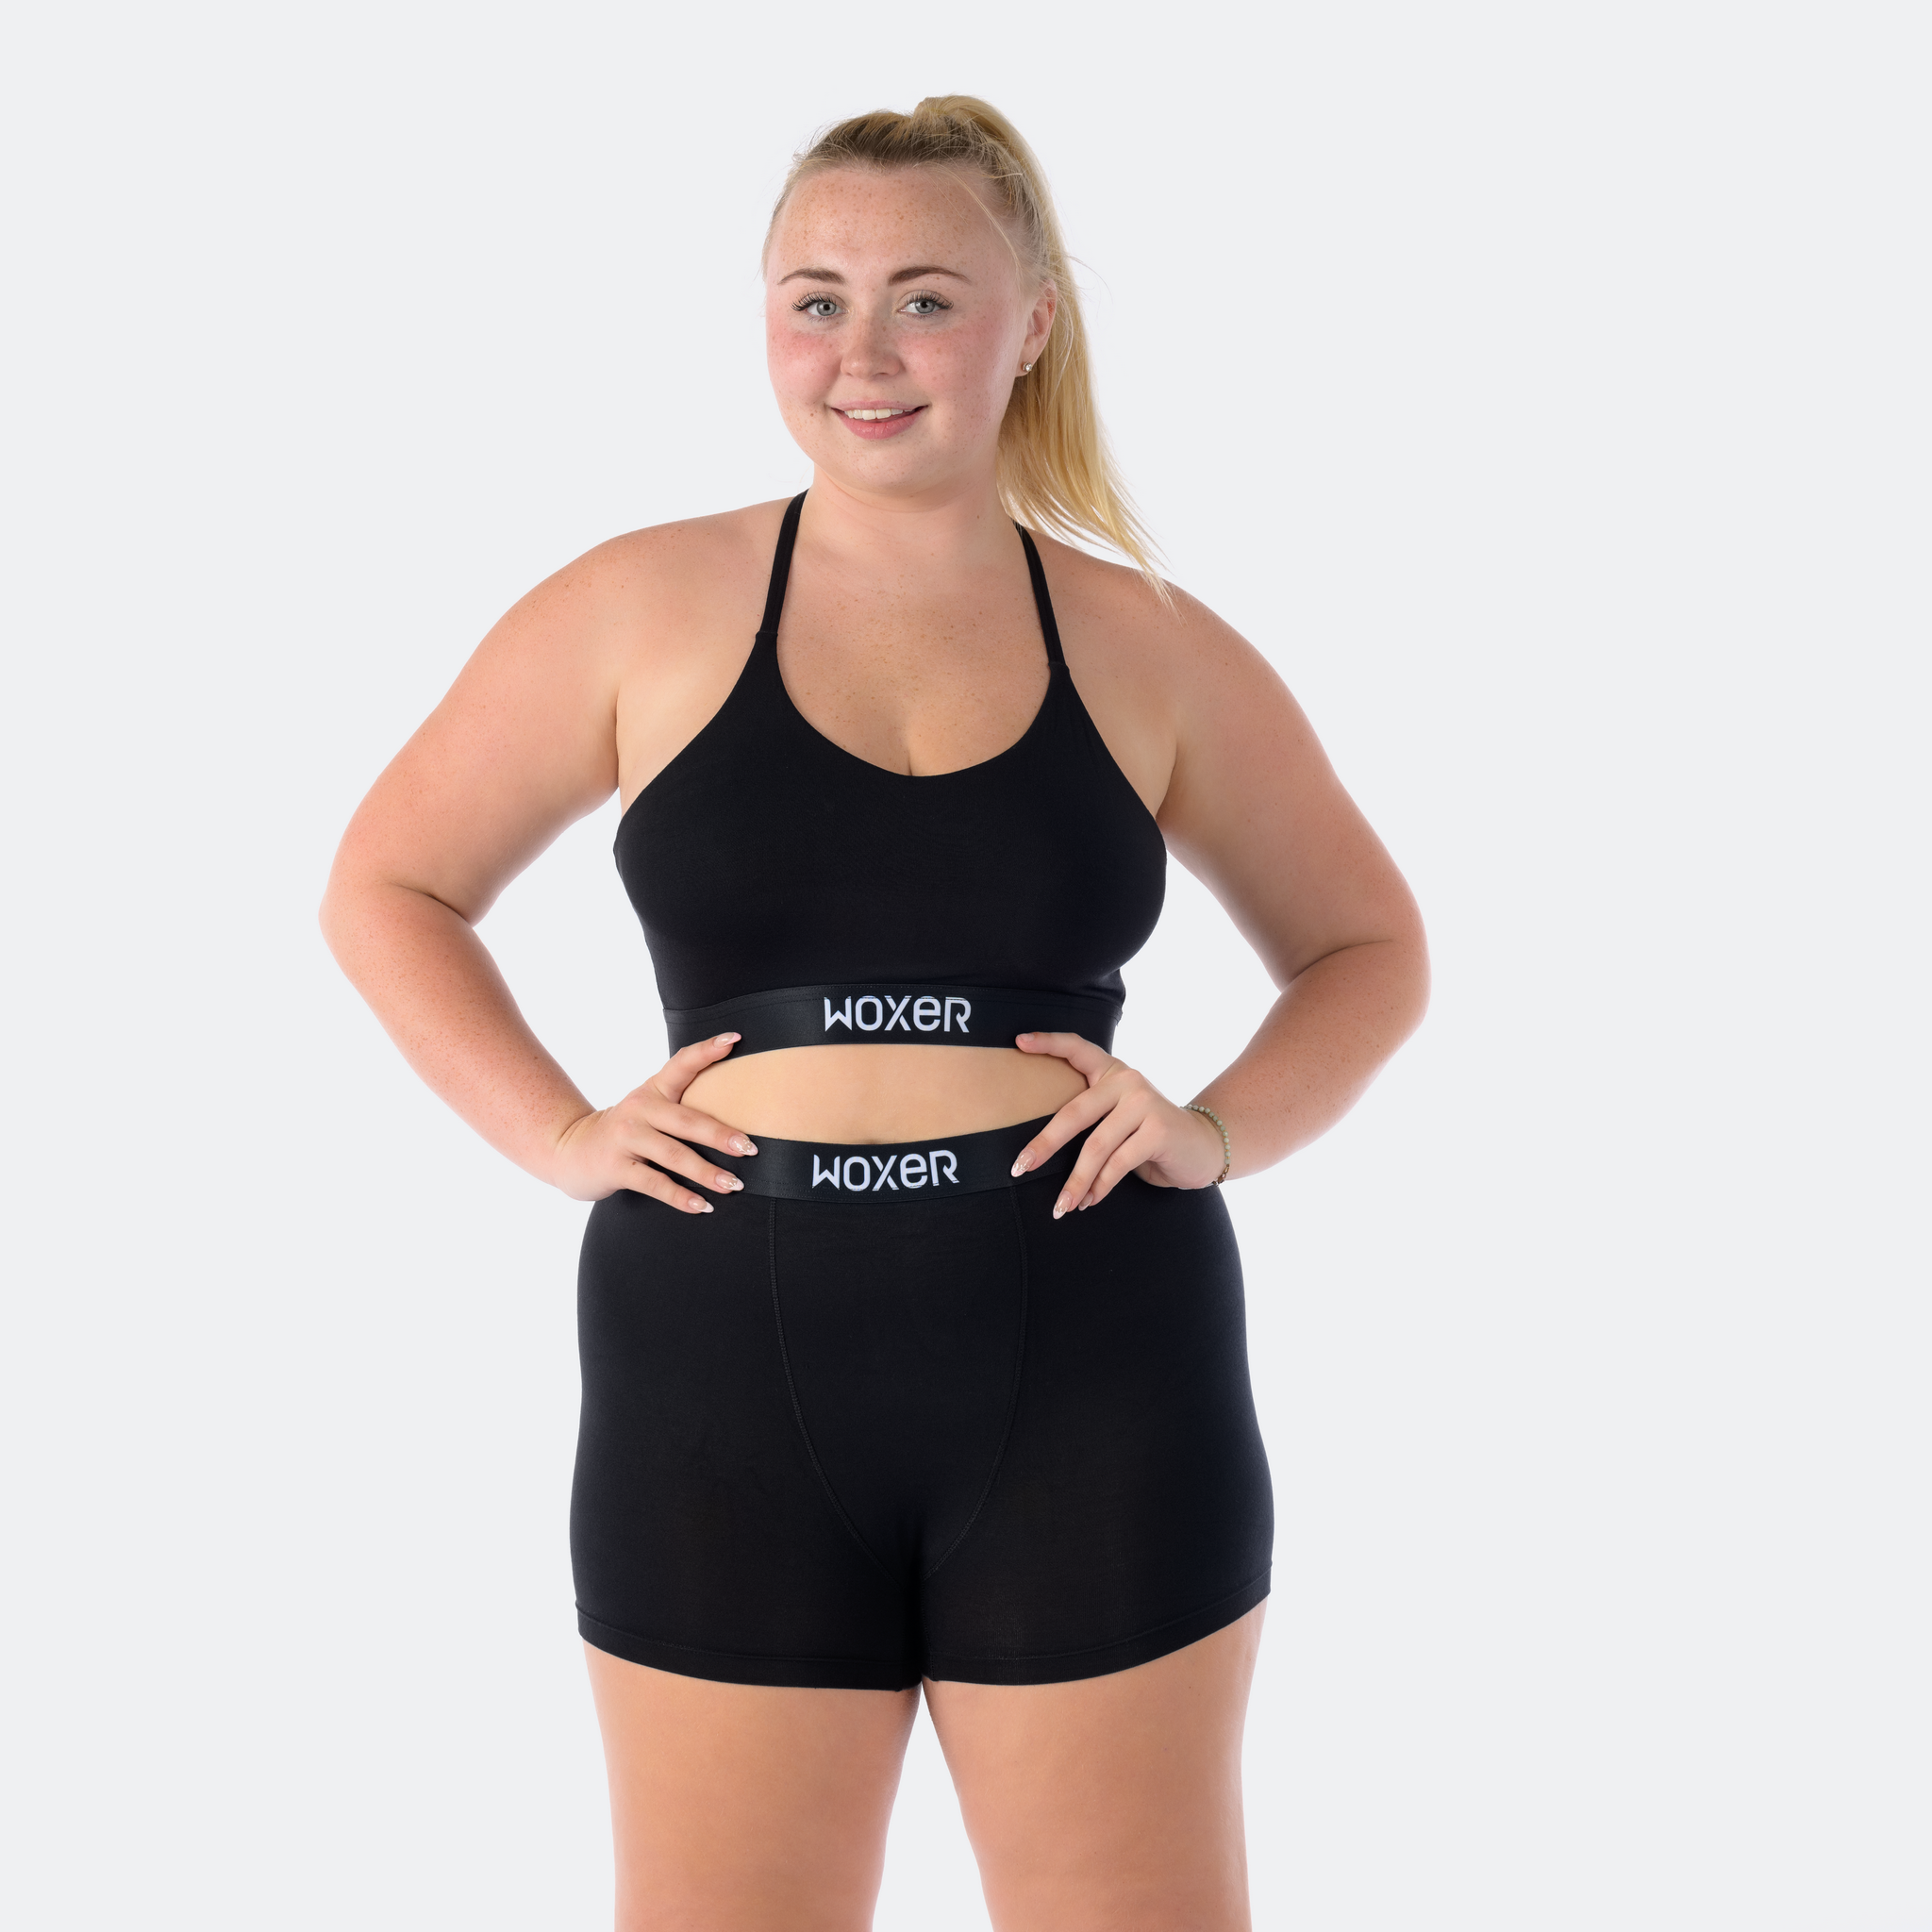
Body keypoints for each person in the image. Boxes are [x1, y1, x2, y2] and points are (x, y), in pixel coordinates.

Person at [322, 95, 1427, 1932]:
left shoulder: (1150, 641)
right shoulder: (636, 604)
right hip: (719, 1357)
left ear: (1032, 322)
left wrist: (1215, 1127)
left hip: (1093, 1352)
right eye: (814, 299)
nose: (864, 352)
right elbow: (388, 886)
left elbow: (1368, 945)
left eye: (925, 298)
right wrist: (558, 1132)